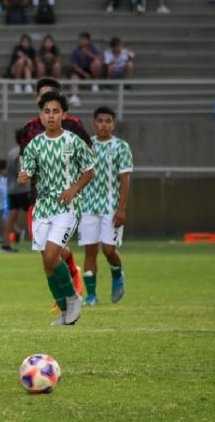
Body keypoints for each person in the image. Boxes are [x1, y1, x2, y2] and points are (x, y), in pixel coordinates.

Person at [19, 91, 96, 325]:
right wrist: (23, 176)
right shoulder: (35, 144)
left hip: (67, 207)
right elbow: (27, 171)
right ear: (40, 116)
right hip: (43, 208)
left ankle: (73, 298)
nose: (51, 116)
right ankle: (64, 312)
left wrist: (74, 188)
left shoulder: (74, 141)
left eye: (55, 111)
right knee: (47, 261)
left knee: (52, 255)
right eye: (46, 112)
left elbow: (89, 171)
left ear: (63, 115)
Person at [78, 106, 133, 306]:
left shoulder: (121, 147)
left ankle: (117, 275)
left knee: (109, 250)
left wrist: (122, 209)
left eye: (108, 121)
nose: (104, 125)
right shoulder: (87, 145)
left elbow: (125, 180)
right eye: (100, 121)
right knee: (90, 250)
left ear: (113, 124)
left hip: (110, 206)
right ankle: (91, 296)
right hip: (87, 206)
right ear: (94, 123)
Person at [1, 129, 31, 253]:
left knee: (11, 218)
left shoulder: (11, 152)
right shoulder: (23, 152)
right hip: (23, 190)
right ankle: (39, 242)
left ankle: (5, 244)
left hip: (12, 189)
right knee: (34, 215)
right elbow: (21, 172)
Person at [68, 32, 103, 107]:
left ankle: (95, 83)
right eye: (81, 40)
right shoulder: (76, 50)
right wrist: (84, 74)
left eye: (84, 40)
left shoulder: (93, 48)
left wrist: (88, 54)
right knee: (74, 76)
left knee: (97, 63)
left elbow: (100, 59)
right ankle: (74, 96)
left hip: (91, 70)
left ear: (88, 40)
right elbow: (74, 66)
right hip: (80, 71)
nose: (82, 42)